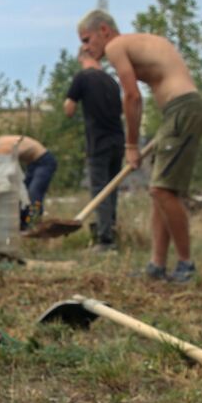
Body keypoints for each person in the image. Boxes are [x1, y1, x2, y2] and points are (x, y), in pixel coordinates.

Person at [78, 9, 202, 282]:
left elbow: (132, 96)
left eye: (87, 39)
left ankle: (186, 264)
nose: (85, 48)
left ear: (104, 30)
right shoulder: (139, 42)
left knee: (163, 190)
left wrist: (131, 145)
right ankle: (156, 266)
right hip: (180, 110)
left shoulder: (116, 46)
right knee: (160, 192)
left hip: (182, 109)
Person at [63, 48, 126, 252]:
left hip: (98, 142)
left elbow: (69, 109)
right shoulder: (111, 81)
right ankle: (111, 232)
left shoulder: (82, 78)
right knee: (111, 189)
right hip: (118, 141)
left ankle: (105, 240)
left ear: (82, 57)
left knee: (100, 190)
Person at [0, 134, 57, 231]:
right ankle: (25, 223)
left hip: (44, 161)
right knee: (24, 196)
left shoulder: (2, 151)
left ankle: (34, 223)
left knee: (34, 192)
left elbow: (4, 175)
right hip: (33, 164)